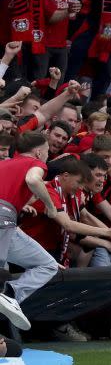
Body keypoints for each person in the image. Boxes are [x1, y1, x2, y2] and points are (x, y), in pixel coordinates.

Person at [0, 132, 60, 330]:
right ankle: (9, 295)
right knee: (47, 265)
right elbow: (33, 180)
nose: (47, 155)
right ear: (38, 152)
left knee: (47, 264)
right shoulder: (35, 164)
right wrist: (51, 207)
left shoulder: (4, 164)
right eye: (47, 151)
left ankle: (8, 295)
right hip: (3, 217)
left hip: (7, 221)